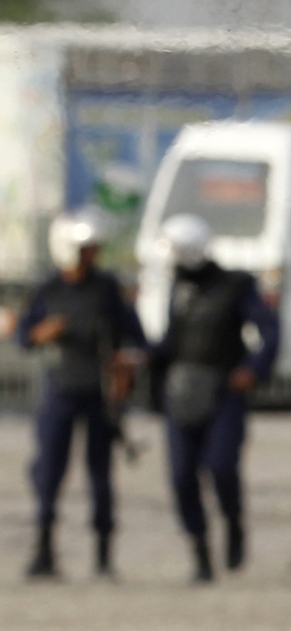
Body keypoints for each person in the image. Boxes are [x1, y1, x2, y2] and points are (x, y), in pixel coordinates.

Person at [17, 208, 148, 579]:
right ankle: (44, 552)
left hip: (99, 395)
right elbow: (24, 335)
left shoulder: (107, 289)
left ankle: (103, 557)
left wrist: (128, 362)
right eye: (87, 247)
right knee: (48, 472)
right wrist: (41, 332)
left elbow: (137, 337)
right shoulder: (48, 290)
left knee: (101, 475)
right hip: (60, 391)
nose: (94, 254)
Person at [151, 213, 280, 583]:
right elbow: (172, 342)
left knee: (221, 466)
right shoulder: (179, 288)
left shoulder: (236, 285)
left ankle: (234, 522)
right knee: (181, 477)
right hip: (180, 393)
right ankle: (200, 552)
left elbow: (268, 329)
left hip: (223, 392)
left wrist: (253, 369)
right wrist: (141, 356)